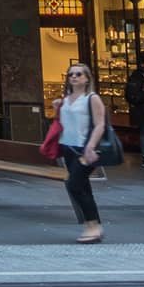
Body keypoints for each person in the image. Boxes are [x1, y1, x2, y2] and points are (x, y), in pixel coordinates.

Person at [53, 62, 106, 244]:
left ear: (86, 78)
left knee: (73, 184)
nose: (74, 77)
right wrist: (56, 109)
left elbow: (100, 124)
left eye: (78, 74)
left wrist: (91, 145)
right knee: (83, 187)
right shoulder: (65, 100)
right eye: (71, 75)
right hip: (68, 148)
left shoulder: (92, 98)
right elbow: (62, 124)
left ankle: (93, 225)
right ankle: (94, 226)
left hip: (86, 149)